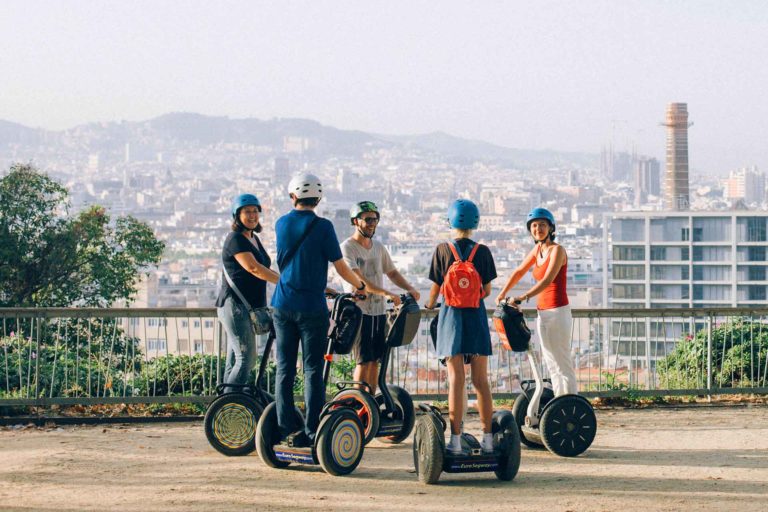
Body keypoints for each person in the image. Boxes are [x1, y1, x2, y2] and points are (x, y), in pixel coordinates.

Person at [271, 173, 368, 447]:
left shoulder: (281, 223)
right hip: (312, 308)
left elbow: (288, 263)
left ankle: (285, 424)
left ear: (293, 197)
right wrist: (360, 284)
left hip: (282, 304)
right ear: (319, 198)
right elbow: (339, 266)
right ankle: (312, 429)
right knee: (312, 369)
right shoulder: (323, 227)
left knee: (285, 367)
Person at [424, 199, 496, 454]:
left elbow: (434, 291)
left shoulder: (443, 250)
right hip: (475, 319)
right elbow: (486, 290)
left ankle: (455, 440)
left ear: (450, 221)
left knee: (456, 380)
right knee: (480, 381)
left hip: (451, 320)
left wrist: (432, 303)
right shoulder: (483, 252)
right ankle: (488, 439)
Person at [340, 201, 420, 394]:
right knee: (362, 360)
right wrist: (386, 293)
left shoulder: (378, 247)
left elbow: (392, 273)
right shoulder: (347, 248)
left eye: (375, 219)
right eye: (367, 219)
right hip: (359, 311)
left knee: (375, 361)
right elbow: (357, 278)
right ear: (355, 221)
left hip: (379, 311)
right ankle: (358, 400)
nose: (372, 223)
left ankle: (371, 401)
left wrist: (410, 288)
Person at [496, 207, 577, 397]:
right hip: (543, 312)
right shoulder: (538, 249)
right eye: (534, 226)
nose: (537, 228)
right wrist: (502, 293)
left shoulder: (557, 251)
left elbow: (547, 280)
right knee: (551, 361)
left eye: (542, 225)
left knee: (562, 361)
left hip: (558, 311)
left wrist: (522, 297)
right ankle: (559, 401)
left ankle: (572, 402)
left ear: (550, 228)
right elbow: (518, 272)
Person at [215, 193, 280, 391]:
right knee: (246, 360)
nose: (252, 216)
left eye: (255, 211)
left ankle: (225, 405)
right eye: (247, 212)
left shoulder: (253, 238)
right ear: (237, 215)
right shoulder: (235, 239)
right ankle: (229, 407)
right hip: (235, 305)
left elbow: (264, 267)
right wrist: (286, 283)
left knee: (235, 360)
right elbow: (254, 268)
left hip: (246, 306)